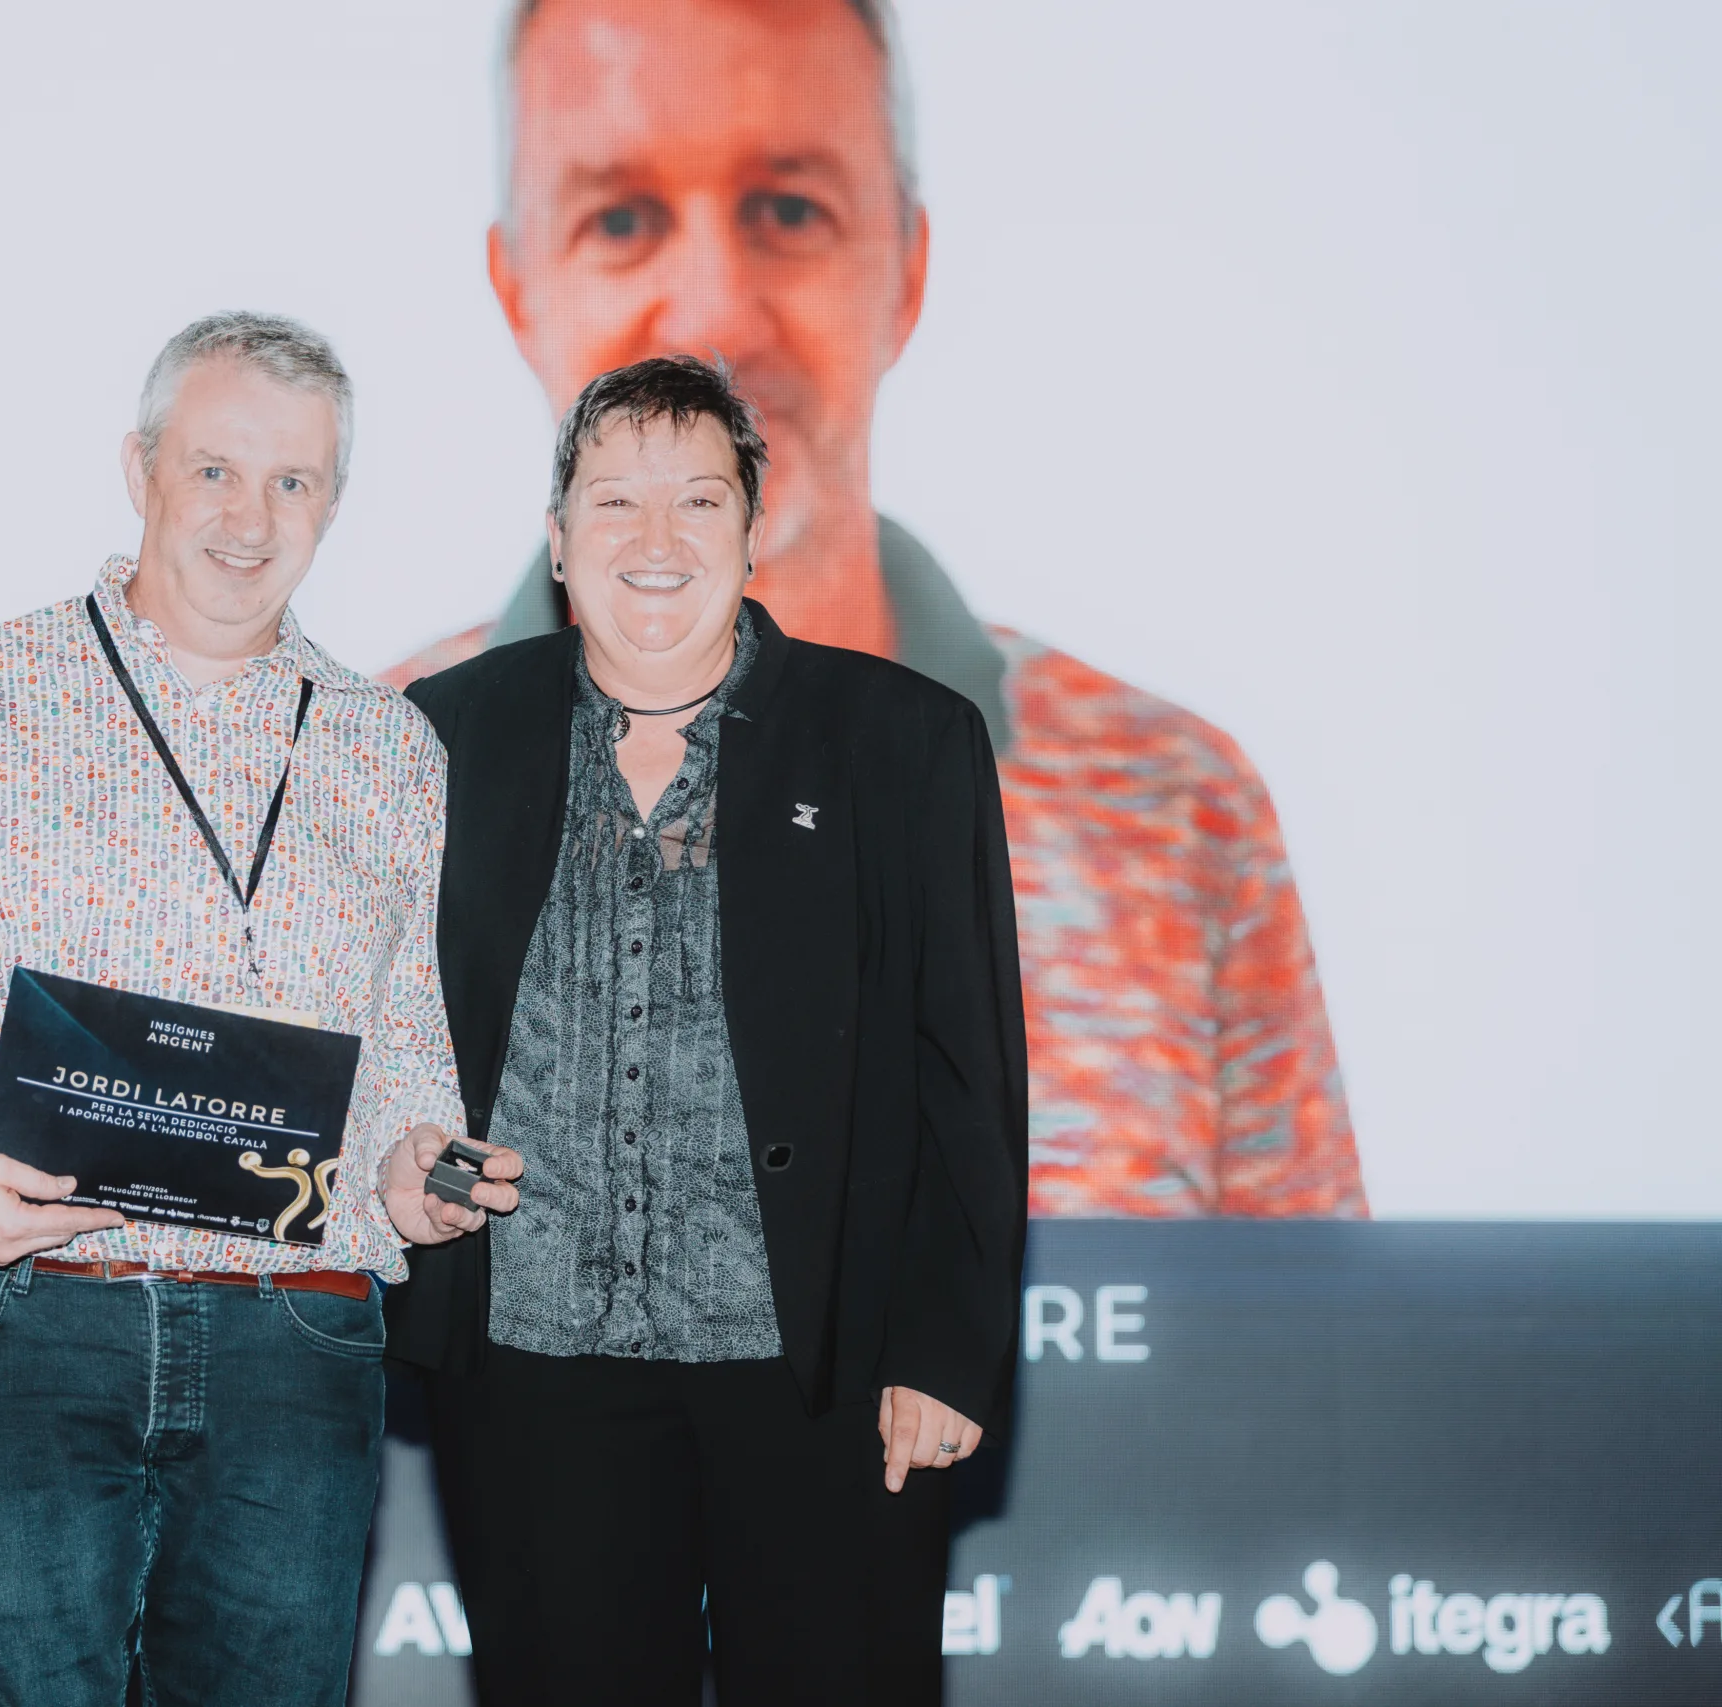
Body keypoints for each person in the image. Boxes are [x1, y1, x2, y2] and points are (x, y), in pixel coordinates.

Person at [389, 0, 1365, 1218]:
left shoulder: (1178, 814)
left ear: (905, 267)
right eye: (621, 220)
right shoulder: (334, 790)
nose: (712, 318)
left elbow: (1311, 1345)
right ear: (518, 290)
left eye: (788, 210)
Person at [0, 311, 523, 1706]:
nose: (251, 519)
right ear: (141, 469)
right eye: (215, 470)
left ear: (334, 504)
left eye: (293, 481)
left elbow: (410, 1053)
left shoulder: (390, 748)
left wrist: (411, 1168)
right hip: (25, 1314)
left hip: (295, 1336)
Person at [393, 355, 1026, 1704]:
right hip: (530, 1367)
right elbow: (387, 1032)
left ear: (751, 533)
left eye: (697, 499)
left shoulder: (903, 741)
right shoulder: (437, 737)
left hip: (822, 1370)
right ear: (558, 538)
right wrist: (410, 1161)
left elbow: (967, 1075)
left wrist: (942, 1349)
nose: (657, 538)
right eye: (615, 500)